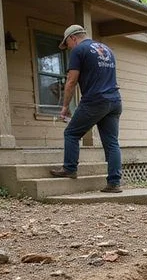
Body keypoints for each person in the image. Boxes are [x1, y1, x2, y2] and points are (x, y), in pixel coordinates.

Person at [50, 24, 123, 193]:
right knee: (111, 143)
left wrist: (65, 106)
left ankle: (69, 168)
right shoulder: (107, 50)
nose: (67, 48)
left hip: (95, 100)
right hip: (114, 100)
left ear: (73, 38)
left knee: (71, 133)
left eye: (67, 43)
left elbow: (71, 81)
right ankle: (114, 183)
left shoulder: (78, 50)